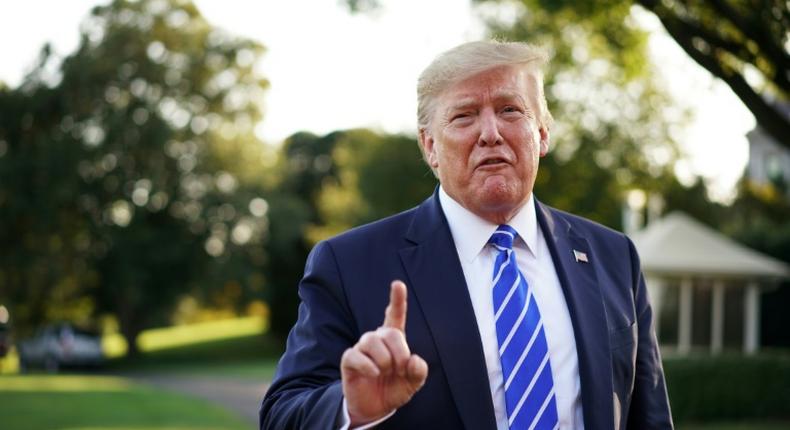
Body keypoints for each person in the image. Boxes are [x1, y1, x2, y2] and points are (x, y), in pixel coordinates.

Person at [260, 40, 673, 429]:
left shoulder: (613, 256)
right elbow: (283, 414)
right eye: (463, 116)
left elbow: (649, 417)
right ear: (430, 147)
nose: (490, 132)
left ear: (543, 133)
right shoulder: (350, 265)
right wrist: (352, 408)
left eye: (511, 110)